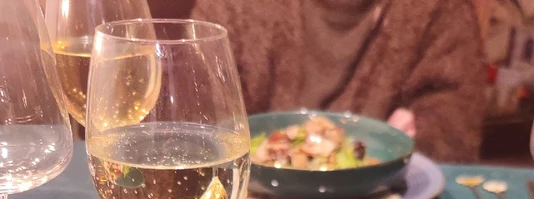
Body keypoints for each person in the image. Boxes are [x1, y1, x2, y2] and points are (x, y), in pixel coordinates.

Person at [147, 0, 485, 162]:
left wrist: (419, 137)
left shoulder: (440, 10)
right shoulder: (234, 7)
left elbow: (455, 133)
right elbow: (188, 122)